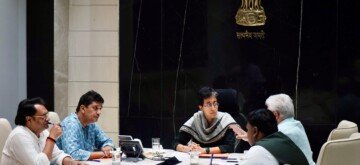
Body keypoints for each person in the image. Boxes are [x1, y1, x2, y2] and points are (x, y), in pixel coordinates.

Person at [1, 97, 84, 165]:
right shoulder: (19, 135)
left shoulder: (43, 132)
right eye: (43, 116)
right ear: (29, 119)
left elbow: (57, 155)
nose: (47, 119)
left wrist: (71, 162)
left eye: (47, 114)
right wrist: (51, 138)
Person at [173, 86, 242, 154]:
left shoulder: (226, 119)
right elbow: (176, 143)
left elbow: (230, 147)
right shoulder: (196, 119)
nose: (213, 108)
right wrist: (188, 149)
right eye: (209, 104)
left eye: (215, 103)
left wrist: (205, 150)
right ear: (201, 107)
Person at [57, 90, 114, 160]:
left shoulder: (92, 124)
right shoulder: (70, 124)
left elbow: (107, 141)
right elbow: (72, 154)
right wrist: (103, 154)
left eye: (100, 108)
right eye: (95, 108)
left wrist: (107, 148)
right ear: (83, 109)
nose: (99, 112)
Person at [241, 109, 308, 165]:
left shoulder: (258, 150)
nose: (247, 133)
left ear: (255, 131)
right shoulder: (284, 141)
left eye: (247, 130)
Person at [265, 94, 315, 165]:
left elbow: (263, 151)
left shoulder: (281, 132)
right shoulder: (296, 125)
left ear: (276, 115)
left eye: (268, 113)